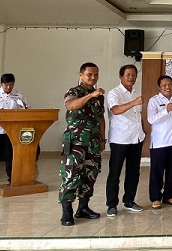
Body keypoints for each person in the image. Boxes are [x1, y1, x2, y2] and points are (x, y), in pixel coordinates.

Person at [59, 63, 106, 226]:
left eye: (96, 74)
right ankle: (67, 213)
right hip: (75, 142)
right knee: (71, 175)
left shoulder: (100, 96)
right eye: (89, 74)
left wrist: (102, 139)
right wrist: (90, 95)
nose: (93, 77)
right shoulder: (74, 92)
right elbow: (71, 105)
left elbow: (101, 118)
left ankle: (83, 208)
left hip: (93, 142)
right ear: (81, 75)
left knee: (90, 174)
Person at [105, 65, 145, 217]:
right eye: (128, 74)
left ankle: (129, 201)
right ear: (121, 76)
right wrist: (134, 102)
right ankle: (111, 205)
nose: (131, 77)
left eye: (133, 74)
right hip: (120, 139)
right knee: (115, 172)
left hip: (136, 138)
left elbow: (138, 115)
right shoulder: (114, 93)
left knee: (133, 172)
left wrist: (143, 131)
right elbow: (115, 110)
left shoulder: (136, 93)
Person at [0, 73, 28, 192]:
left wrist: (23, 108)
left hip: (11, 131)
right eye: (6, 85)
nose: (9, 87)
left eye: (11, 85)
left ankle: (12, 180)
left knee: (10, 157)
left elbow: (26, 109)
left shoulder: (18, 95)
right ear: (2, 84)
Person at [147, 75, 172, 209]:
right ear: (159, 87)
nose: (167, 87)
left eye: (170, 84)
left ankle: (169, 195)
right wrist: (165, 110)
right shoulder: (154, 101)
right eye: (164, 85)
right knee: (157, 171)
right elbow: (151, 119)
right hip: (159, 142)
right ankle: (155, 198)